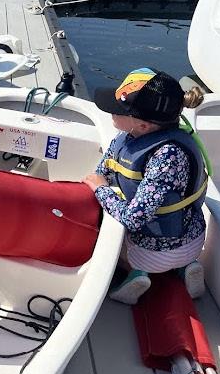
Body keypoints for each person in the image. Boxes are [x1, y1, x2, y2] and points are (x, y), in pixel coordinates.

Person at [84, 67, 207, 305]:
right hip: (194, 242)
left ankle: (136, 273)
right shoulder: (164, 138)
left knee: (103, 229)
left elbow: (132, 218)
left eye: (117, 110)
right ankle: (186, 267)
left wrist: (101, 190)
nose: (111, 112)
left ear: (143, 126)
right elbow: (106, 168)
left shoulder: (165, 156)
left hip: (149, 256)